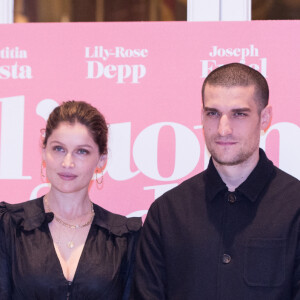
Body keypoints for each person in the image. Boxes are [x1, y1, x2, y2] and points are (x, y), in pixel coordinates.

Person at [131, 63, 300, 299]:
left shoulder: (294, 207)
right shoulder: (167, 212)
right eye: (213, 113)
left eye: (239, 114)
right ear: (201, 116)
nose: (223, 129)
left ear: (265, 118)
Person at [0, 100, 141, 300]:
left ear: (101, 159)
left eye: (81, 151)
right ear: (44, 152)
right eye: (58, 149)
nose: (67, 163)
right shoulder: (9, 226)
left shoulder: (124, 238)